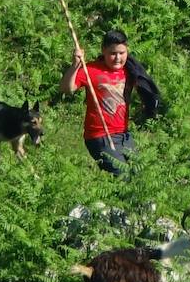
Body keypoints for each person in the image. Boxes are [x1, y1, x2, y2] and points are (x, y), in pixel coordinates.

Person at [61, 29, 161, 175]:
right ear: (103, 51)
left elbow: (146, 89)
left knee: (141, 176)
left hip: (124, 136)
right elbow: (66, 89)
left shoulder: (131, 70)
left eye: (122, 53)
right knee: (123, 176)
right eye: (113, 53)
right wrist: (75, 65)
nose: (117, 58)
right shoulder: (91, 70)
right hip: (100, 136)